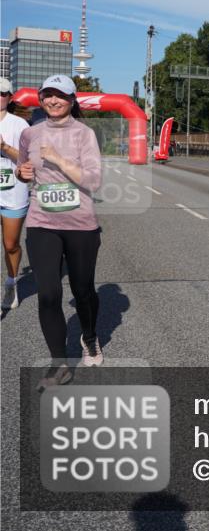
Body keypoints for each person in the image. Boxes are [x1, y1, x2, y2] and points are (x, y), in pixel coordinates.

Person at [16, 75, 103, 389]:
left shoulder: (84, 134)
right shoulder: (30, 133)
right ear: (41, 99)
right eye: (48, 95)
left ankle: (89, 337)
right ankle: (59, 363)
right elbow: (23, 168)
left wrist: (57, 159)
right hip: (42, 223)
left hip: (81, 225)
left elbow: (93, 181)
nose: (53, 101)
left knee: (83, 291)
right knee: (49, 293)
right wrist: (21, 172)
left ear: (72, 99)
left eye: (61, 95)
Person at [0, 77, 29, 310]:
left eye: (2, 93)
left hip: (13, 192)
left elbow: (28, 160)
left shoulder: (20, 124)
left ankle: (11, 281)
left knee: (10, 244)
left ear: (10, 98)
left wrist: (3, 147)